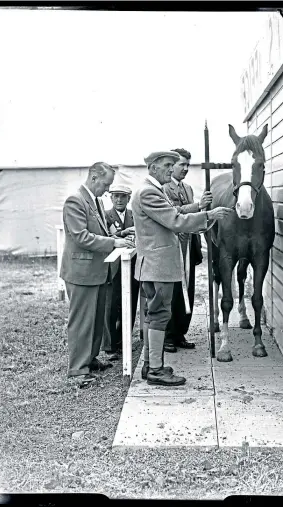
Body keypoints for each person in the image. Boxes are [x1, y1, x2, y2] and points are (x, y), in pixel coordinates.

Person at [132, 151, 232, 387]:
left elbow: (175, 214)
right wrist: (208, 214)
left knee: (154, 314)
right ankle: (155, 369)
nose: (171, 169)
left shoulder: (153, 190)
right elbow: (175, 221)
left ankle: (151, 363)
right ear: (153, 168)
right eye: (167, 165)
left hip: (155, 265)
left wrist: (199, 211)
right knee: (159, 315)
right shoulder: (149, 192)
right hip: (158, 266)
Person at [60, 162, 134, 387]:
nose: (107, 189)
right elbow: (81, 237)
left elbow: (98, 231)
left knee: (96, 320)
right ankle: (78, 370)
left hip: (97, 271)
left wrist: (121, 234)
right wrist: (114, 242)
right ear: (93, 177)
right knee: (83, 321)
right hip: (81, 272)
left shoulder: (96, 201)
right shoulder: (75, 201)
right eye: (106, 184)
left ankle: (90, 359)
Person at [163, 148, 213, 353]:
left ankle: (180, 332)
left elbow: (192, 216)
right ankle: (167, 335)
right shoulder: (164, 189)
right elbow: (174, 213)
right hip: (172, 248)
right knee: (172, 292)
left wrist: (204, 212)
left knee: (188, 291)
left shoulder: (188, 188)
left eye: (187, 164)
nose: (185, 168)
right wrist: (198, 206)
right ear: (171, 165)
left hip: (189, 246)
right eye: (181, 164)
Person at [104, 184, 139, 360]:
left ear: (128, 198)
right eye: (116, 196)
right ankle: (111, 345)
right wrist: (123, 233)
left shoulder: (134, 215)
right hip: (113, 267)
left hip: (133, 265)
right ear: (111, 198)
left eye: (123, 196)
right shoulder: (106, 216)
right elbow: (108, 237)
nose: (119, 200)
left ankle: (124, 340)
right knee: (112, 306)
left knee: (131, 302)